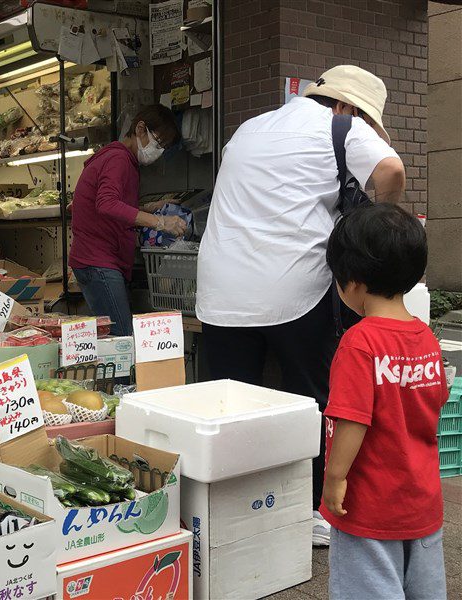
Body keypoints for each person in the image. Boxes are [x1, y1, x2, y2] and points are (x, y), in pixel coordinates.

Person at [195, 65, 406, 545]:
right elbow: (391, 170)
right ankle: (312, 511)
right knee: (309, 399)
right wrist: (383, 215)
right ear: (348, 107)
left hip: (220, 291)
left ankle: (228, 513)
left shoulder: (248, 128)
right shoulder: (342, 127)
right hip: (291, 289)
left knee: (232, 404)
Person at [321, 203, 448, 599]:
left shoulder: (360, 342)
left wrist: (334, 478)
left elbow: (353, 421)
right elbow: (435, 400)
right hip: (422, 501)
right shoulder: (424, 337)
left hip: (369, 505)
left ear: (352, 282)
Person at [69, 104, 186, 336]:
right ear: (140, 129)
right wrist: (160, 222)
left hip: (98, 260)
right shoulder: (118, 159)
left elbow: (110, 205)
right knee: (121, 341)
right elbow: (107, 204)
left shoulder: (120, 159)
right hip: (99, 262)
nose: (159, 151)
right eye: (158, 143)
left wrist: (150, 207)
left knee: (115, 341)